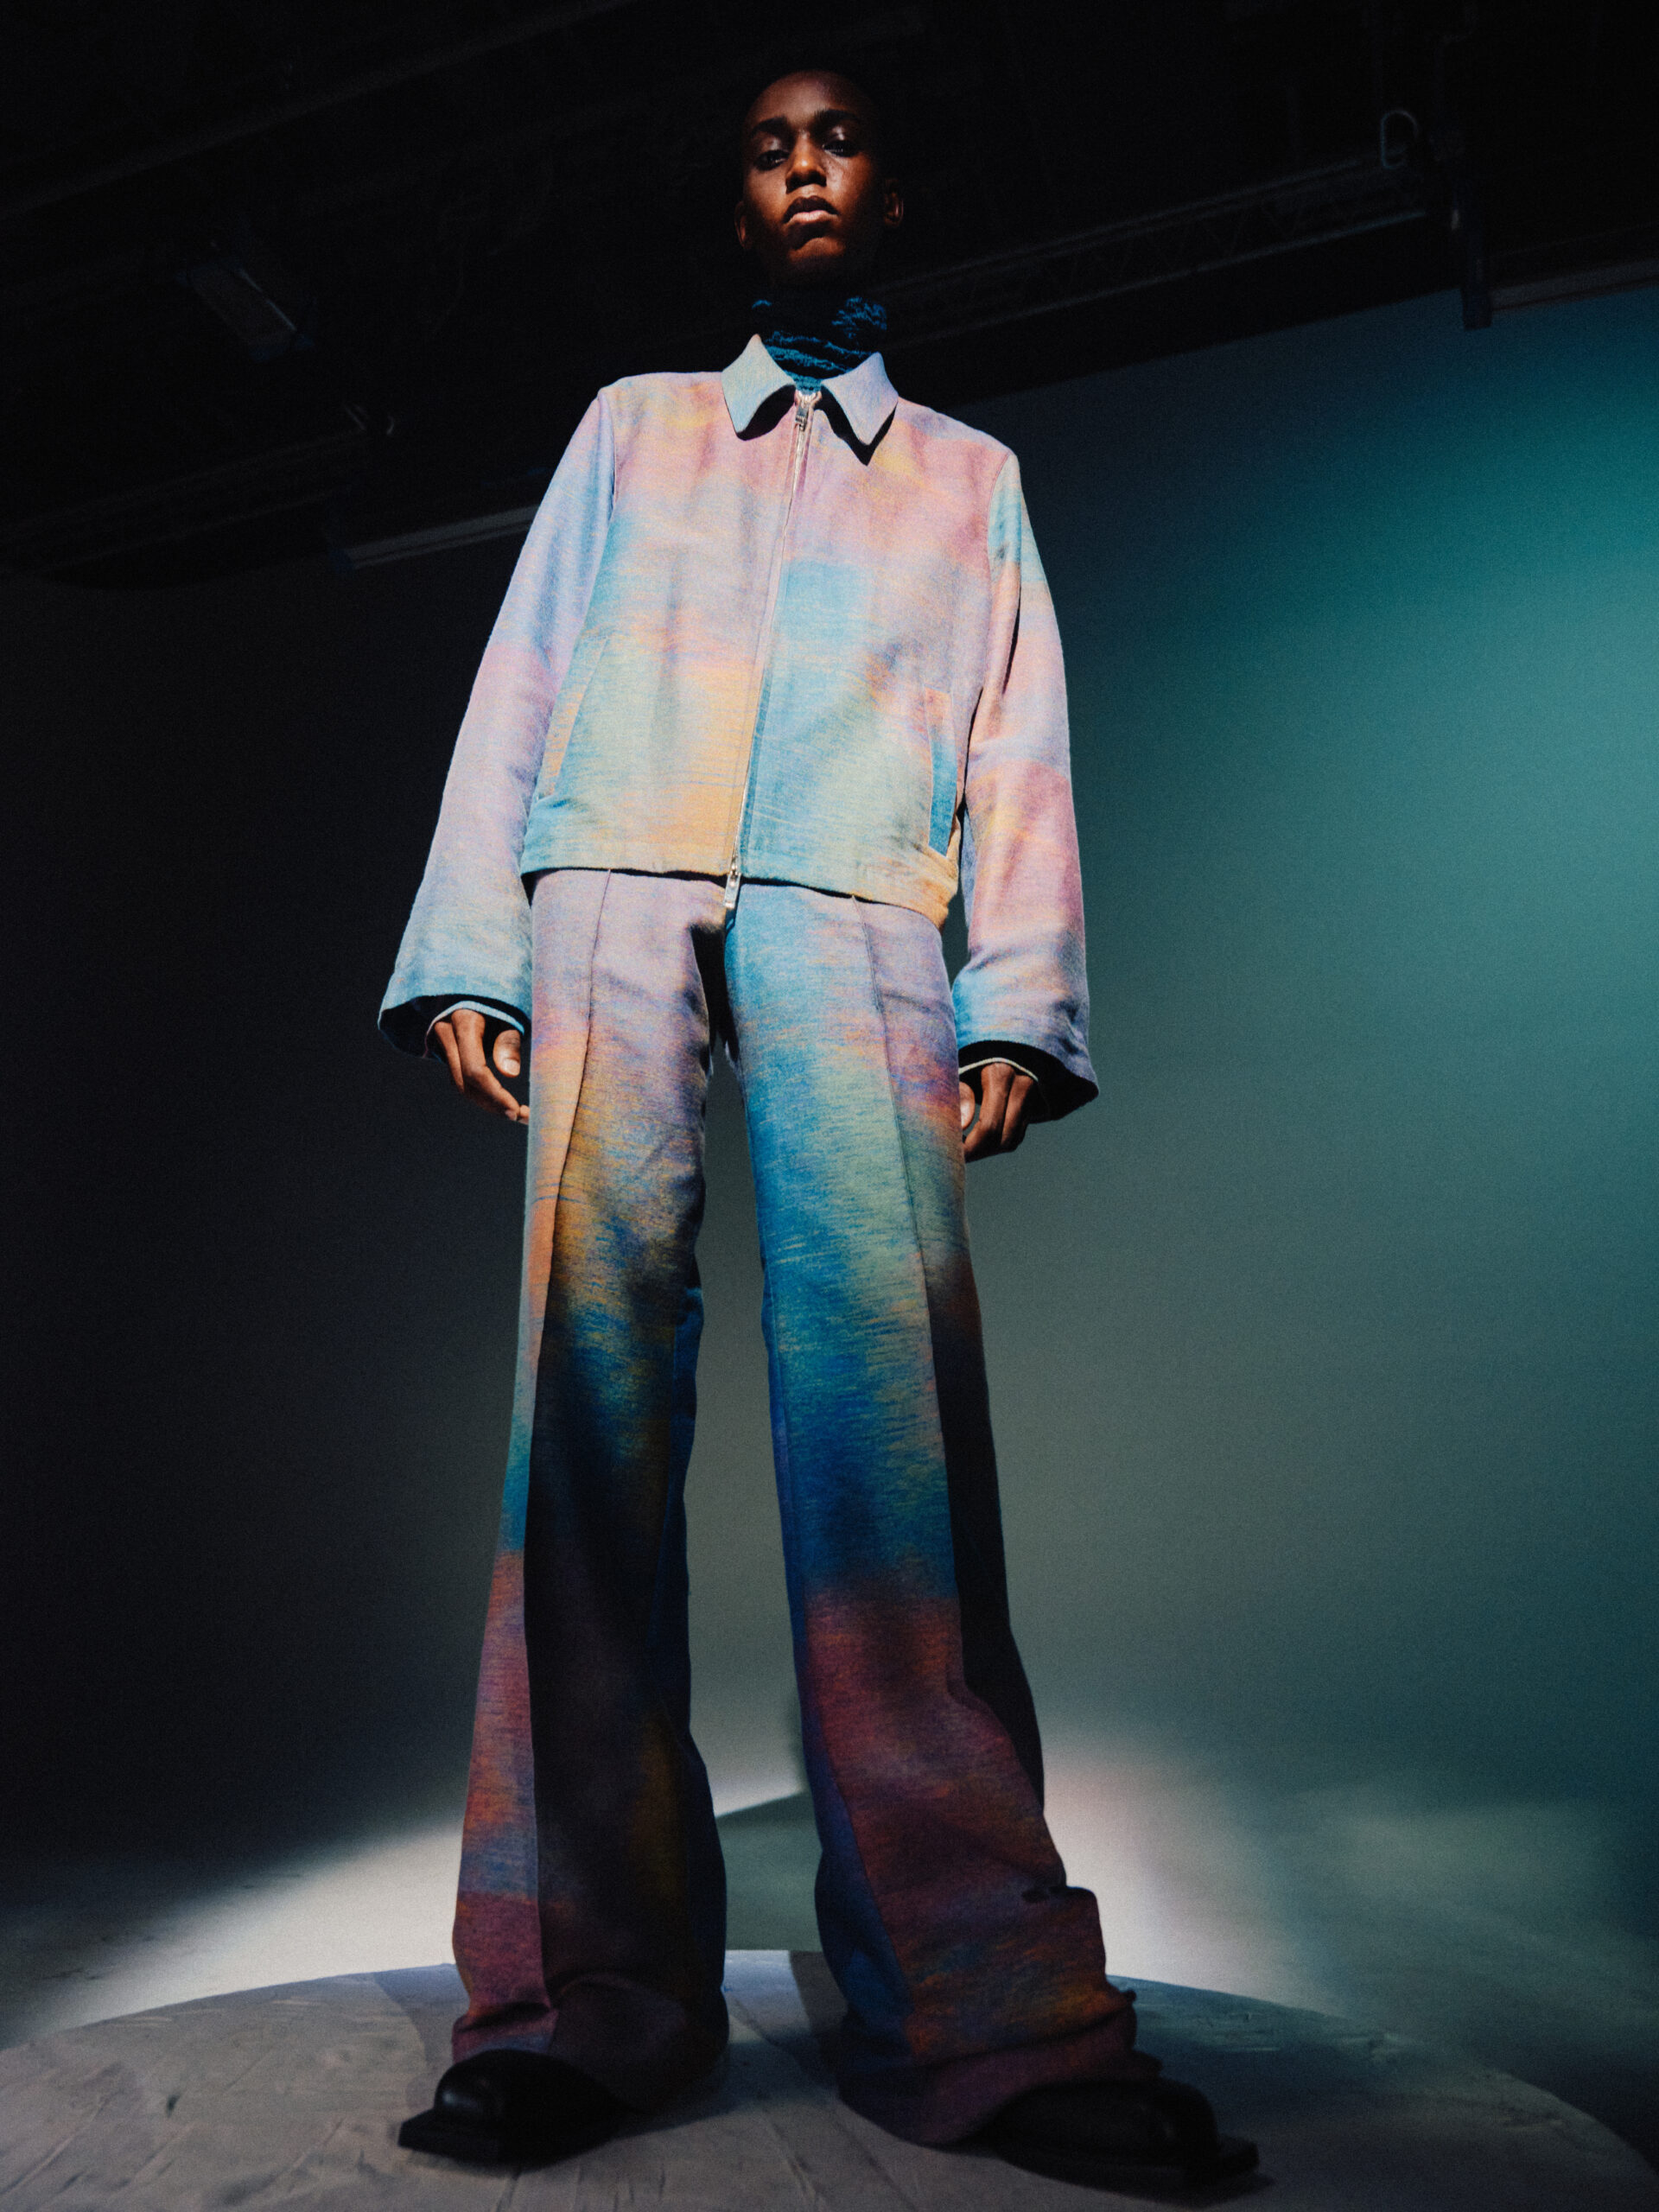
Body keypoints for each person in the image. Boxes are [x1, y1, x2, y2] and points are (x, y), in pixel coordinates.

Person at [382, 61, 1256, 2190]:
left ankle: (985, 2008)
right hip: (610, 875)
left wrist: (1020, 989)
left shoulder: (970, 477)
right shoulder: (633, 426)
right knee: (581, 1433)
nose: (801, 163)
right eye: (769, 143)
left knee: (892, 1449)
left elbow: (1016, 737)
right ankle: (578, 1994)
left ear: (895, 196)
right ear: (738, 202)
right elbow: (524, 671)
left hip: (862, 896)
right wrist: (471, 938)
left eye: (838, 138)